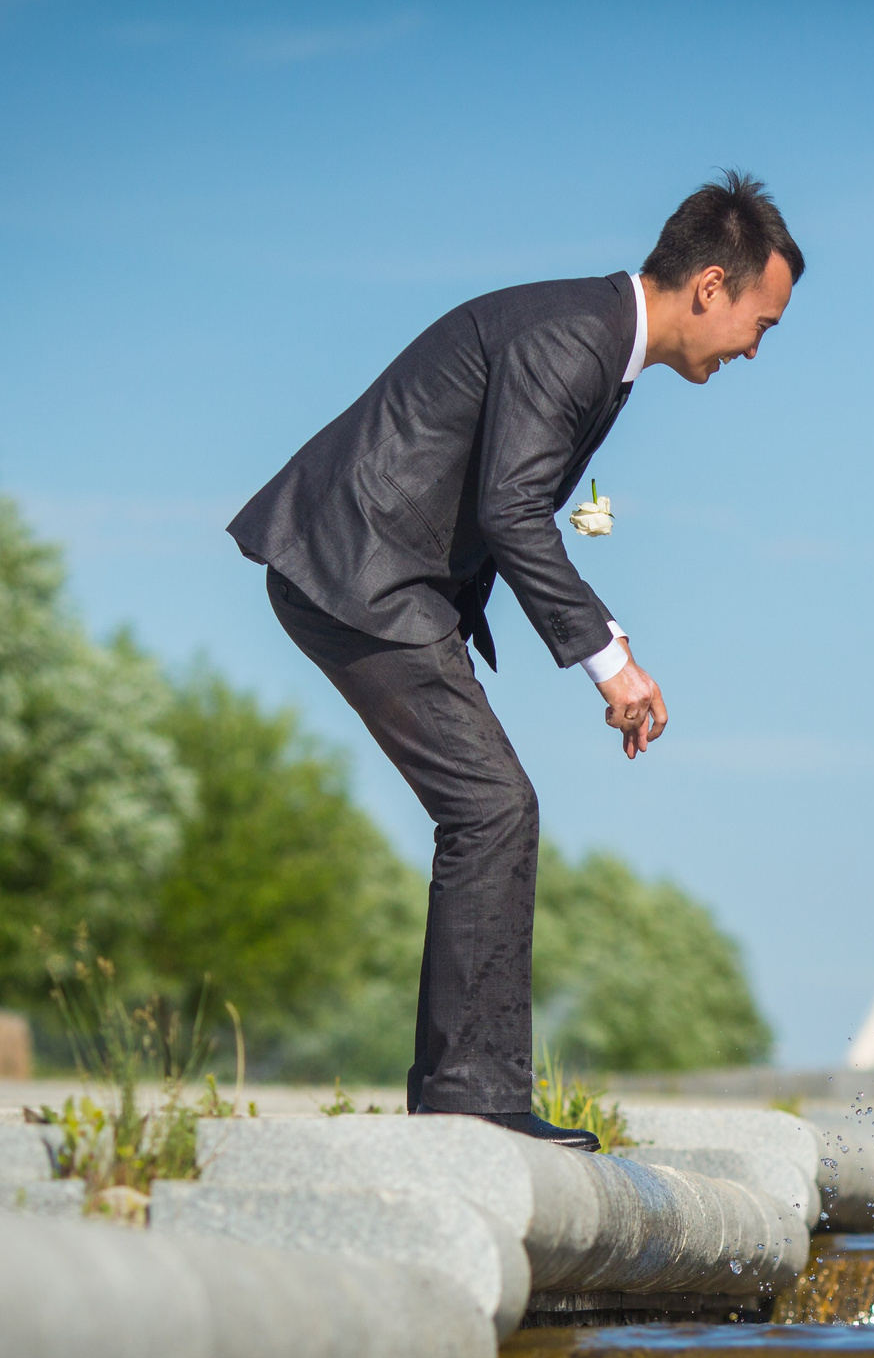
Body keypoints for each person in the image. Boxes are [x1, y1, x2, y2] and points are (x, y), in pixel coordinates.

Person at [229, 172, 802, 1148]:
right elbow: (511, 509)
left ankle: (465, 1096)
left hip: (376, 573)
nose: (756, 346)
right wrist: (609, 660)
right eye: (763, 321)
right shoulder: (572, 340)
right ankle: (469, 1106)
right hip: (356, 569)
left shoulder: (595, 346)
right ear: (711, 286)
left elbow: (500, 503)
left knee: (488, 807)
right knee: (493, 807)